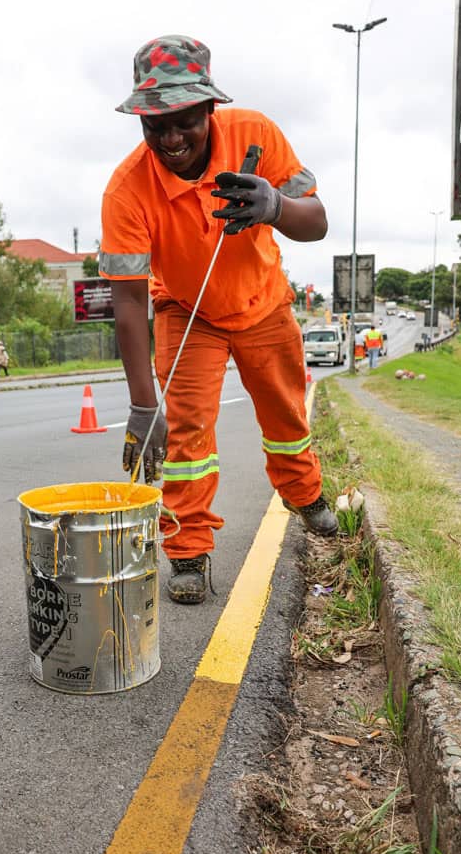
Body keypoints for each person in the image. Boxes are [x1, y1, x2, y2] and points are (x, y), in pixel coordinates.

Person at [100, 34, 337, 605]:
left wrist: (274, 207)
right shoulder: (127, 190)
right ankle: (187, 551)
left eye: (185, 120)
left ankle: (304, 495)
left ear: (211, 108)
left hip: (262, 302)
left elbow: (318, 222)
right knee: (186, 435)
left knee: (284, 415)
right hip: (186, 311)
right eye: (155, 125)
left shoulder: (257, 134)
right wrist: (141, 404)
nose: (171, 138)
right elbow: (128, 301)